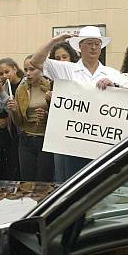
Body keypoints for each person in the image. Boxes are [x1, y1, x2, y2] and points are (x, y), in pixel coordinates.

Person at [30, 25, 128, 179]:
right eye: (89, 43)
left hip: (103, 144)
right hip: (72, 145)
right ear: (80, 46)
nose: (93, 47)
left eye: (97, 44)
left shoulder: (112, 73)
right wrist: (55, 41)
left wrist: (115, 88)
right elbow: (35, 61)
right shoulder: (66, 69)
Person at [7, 55, 54, 182]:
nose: (28, 73)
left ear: (42, 69)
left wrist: (46, 115)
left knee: (44, 181)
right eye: (26, 69)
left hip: (45, 140)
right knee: (27, 181)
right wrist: (14, 111)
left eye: (32, 69)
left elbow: (60, 119)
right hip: (26, 139)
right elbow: (19, 122)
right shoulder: (21, 89)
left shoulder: (51, 87)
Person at [49, 42, 79, 182]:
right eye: (57, 58)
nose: (61, 61)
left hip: (78, 135)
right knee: (60, 176)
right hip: (59, 133)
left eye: (64, 57)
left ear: (72, 58)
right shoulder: (52, 81)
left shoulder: (80, 77)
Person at [0, 57, 25, 181]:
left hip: (24, 131)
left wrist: (1, 92)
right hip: (12, 131)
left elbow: (17, 106)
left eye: (7, 72)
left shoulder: (24, 84)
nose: (5, 76)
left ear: (15, 68)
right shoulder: (5, 87)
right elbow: (1, 107)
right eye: (1, 73)